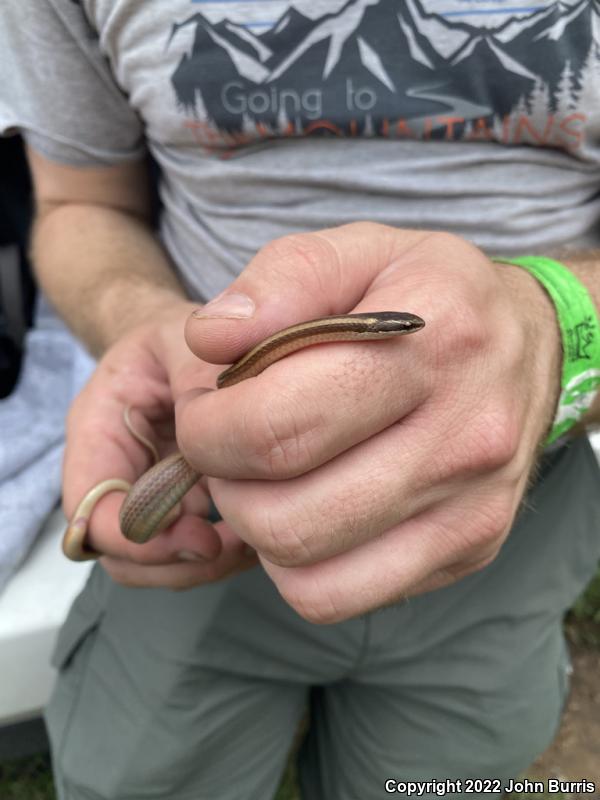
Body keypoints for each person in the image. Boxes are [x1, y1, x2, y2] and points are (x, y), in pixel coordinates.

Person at [1, 1, 600, 798]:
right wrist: (140, 321)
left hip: (522, 495)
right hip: (205, 503)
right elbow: (81, 203)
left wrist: (556, 326)